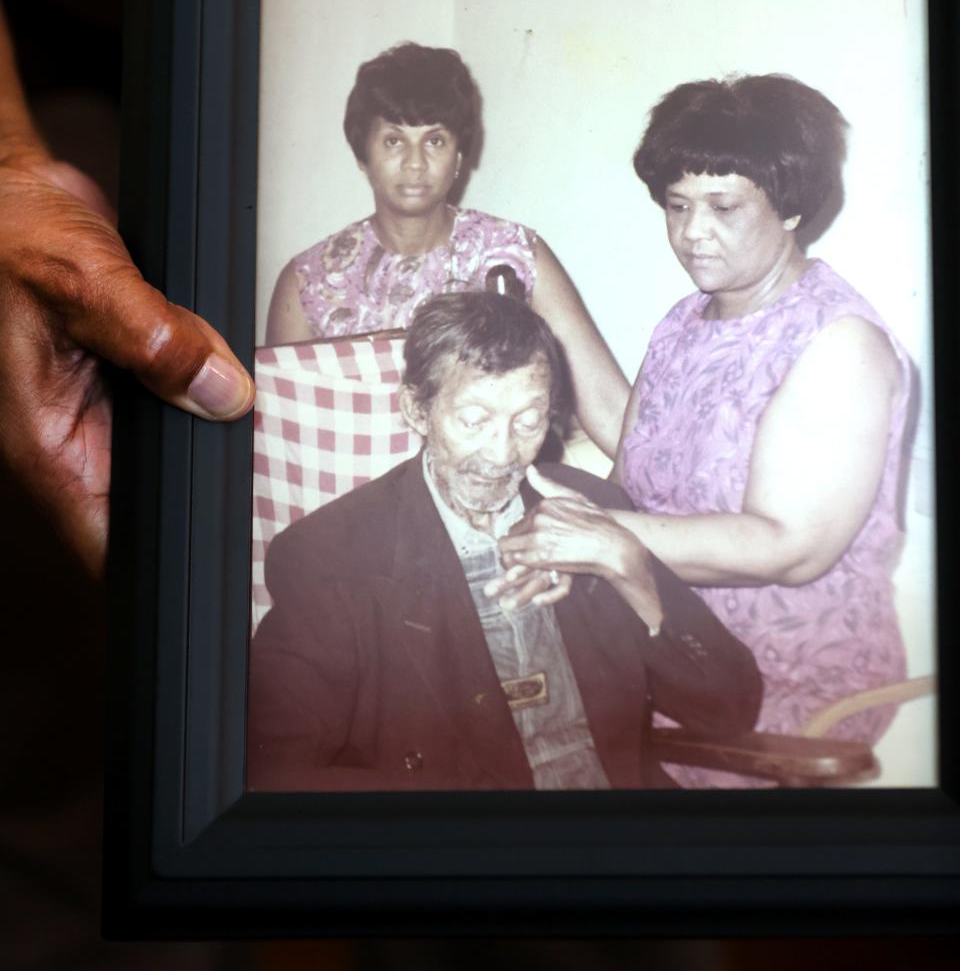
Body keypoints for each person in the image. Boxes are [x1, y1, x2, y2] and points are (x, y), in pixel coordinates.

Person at [496, 74, 911, 788]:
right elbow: (634, 469)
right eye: (678, 206)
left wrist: (600, 535)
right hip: (663, 635)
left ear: (789, 207)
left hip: (776, 680)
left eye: (723, 207)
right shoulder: (686, 322)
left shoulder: (837, 343)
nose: (692, 233)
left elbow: (789, 548)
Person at [247, 291, 761, 792]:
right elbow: (273, 768)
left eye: (528, 421)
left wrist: (627, 564)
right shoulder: (333, 555)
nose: (501, 453)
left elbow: (730, 709)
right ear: (417, 410)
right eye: (474, 420)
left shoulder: (589, 509)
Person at [265, 41, 629, 458]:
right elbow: (282, 437)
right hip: (351, 501)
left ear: (459, 156)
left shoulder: (515, 253)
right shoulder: (307, 281)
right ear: (362, 154)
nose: (415, 162)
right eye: (393, 141)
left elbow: (606, 404)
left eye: (435, 141)